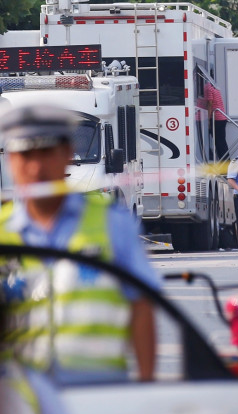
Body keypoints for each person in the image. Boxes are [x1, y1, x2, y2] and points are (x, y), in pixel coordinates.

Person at [0, 103, 159, 385]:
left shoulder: (114, 224)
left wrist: (145, 388)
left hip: (99, 394)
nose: (36, 167)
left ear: (67, 155)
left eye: (46, 152)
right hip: (18, 402)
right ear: (10, 160)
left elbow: (141, 307)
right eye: (25, 154)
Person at [204, 77, 228, 161]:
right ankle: (225, 162)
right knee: (222, 142)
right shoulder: (215, 87)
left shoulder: (208, 87)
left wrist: (208, 119)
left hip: (216, 118)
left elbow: (210, 103)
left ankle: (224, 163)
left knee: (219, 143)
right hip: (222, 118)